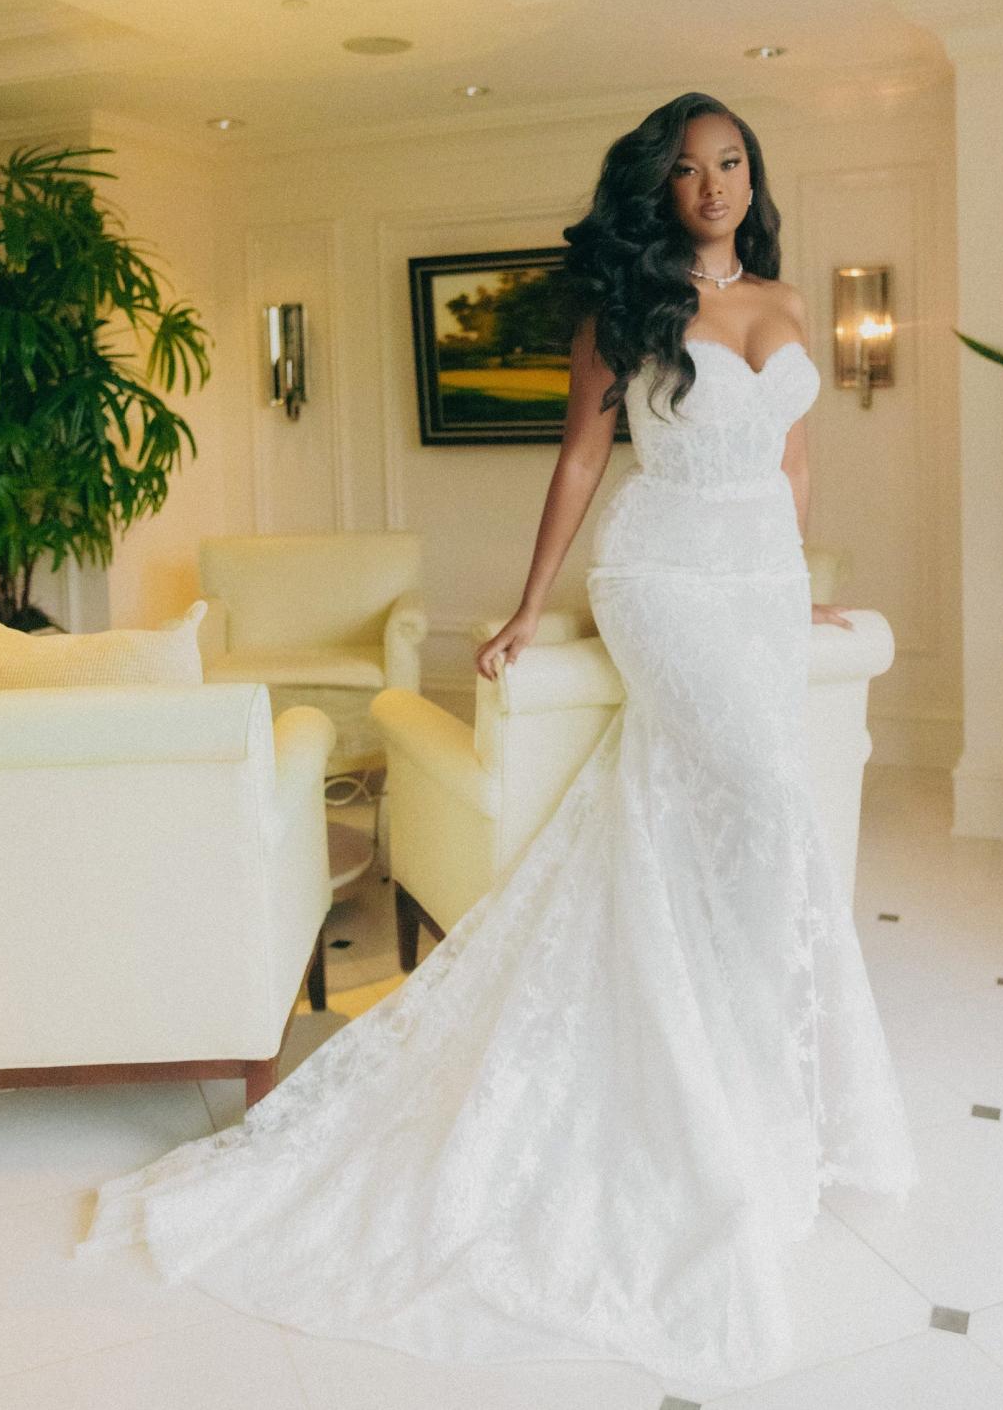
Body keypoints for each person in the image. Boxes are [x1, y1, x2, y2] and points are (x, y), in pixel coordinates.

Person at [75, 91, 918, 1401]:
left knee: (740, 825)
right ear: (659, 187)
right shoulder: (626, 311)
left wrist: (795, 579)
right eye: (689, 168)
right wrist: (530, 603)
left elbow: (792, 459)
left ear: (753, 176)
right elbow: (580, 464)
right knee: (757, 800)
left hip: (753, 585)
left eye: (731, 161)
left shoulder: (793, 300)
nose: (713, 184)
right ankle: (707, 1112)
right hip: (663, 578)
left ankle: (756, 1096)